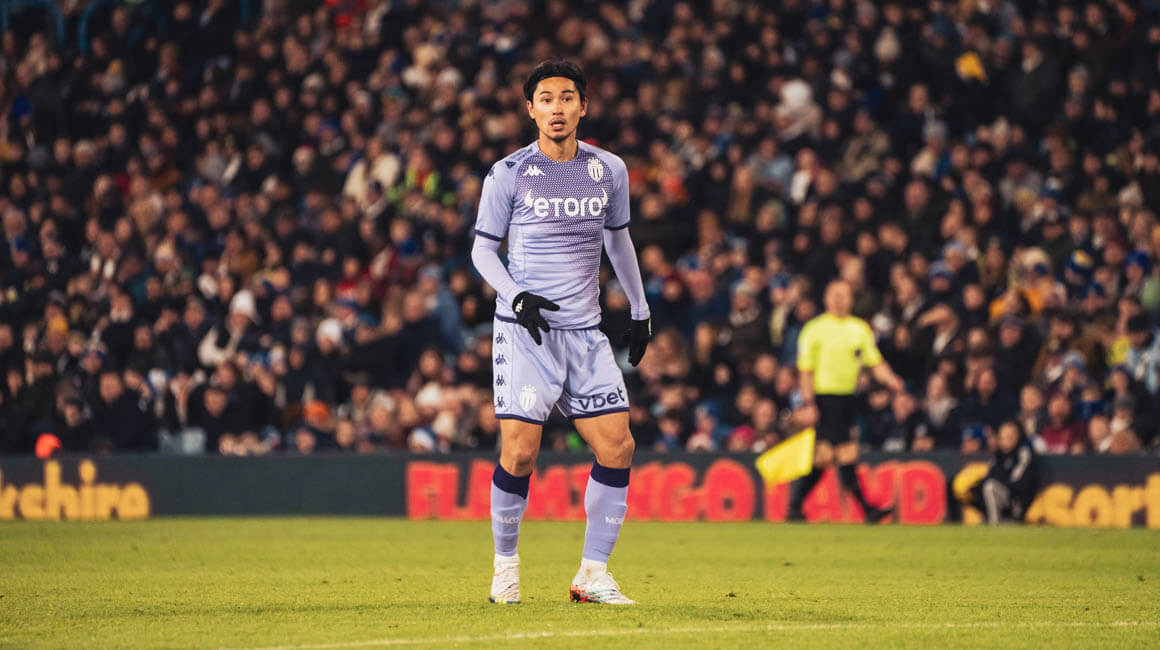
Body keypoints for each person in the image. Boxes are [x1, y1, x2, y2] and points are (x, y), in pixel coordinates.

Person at [470, 59, 651, 606]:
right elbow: (483, 251)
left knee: (618, 446)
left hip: (585, 333)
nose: (557, 108)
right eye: (546, 99)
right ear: (530, 109)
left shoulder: (609, 169)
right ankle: (505, 568)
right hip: (526, 333)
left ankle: (592, 574)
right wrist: (516, 295)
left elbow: (618, 240)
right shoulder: (508, 173)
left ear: (583, 106)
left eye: (567, 97)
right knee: (520, 455)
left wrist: (639, 308)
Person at [788, 280, 904, 522]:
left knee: (827, 456)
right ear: (826, 298)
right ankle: (867, 509)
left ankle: (795, 506)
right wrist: (808, 403)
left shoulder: (859, 329)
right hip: (824, 398)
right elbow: (806, 370)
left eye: (844, 294)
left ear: (851, 299)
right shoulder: (814, 329)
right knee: (843, 453)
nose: (839, 299)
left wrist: (891, 379)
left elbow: (875, 362)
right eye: (835, 294)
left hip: (848, 399)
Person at [968, 420, 1039, 524]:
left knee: (990, 487)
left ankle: (994, 523)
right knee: (983, 487)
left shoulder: (1024, 453)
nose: (1006, 440)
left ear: (1018, 436)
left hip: (1018, 501)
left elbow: (1020, 483)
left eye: (1010, 436)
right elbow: (991, 475)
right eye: (1003, 436)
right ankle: (991, 520)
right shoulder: (997, 456)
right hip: (1003, 497)